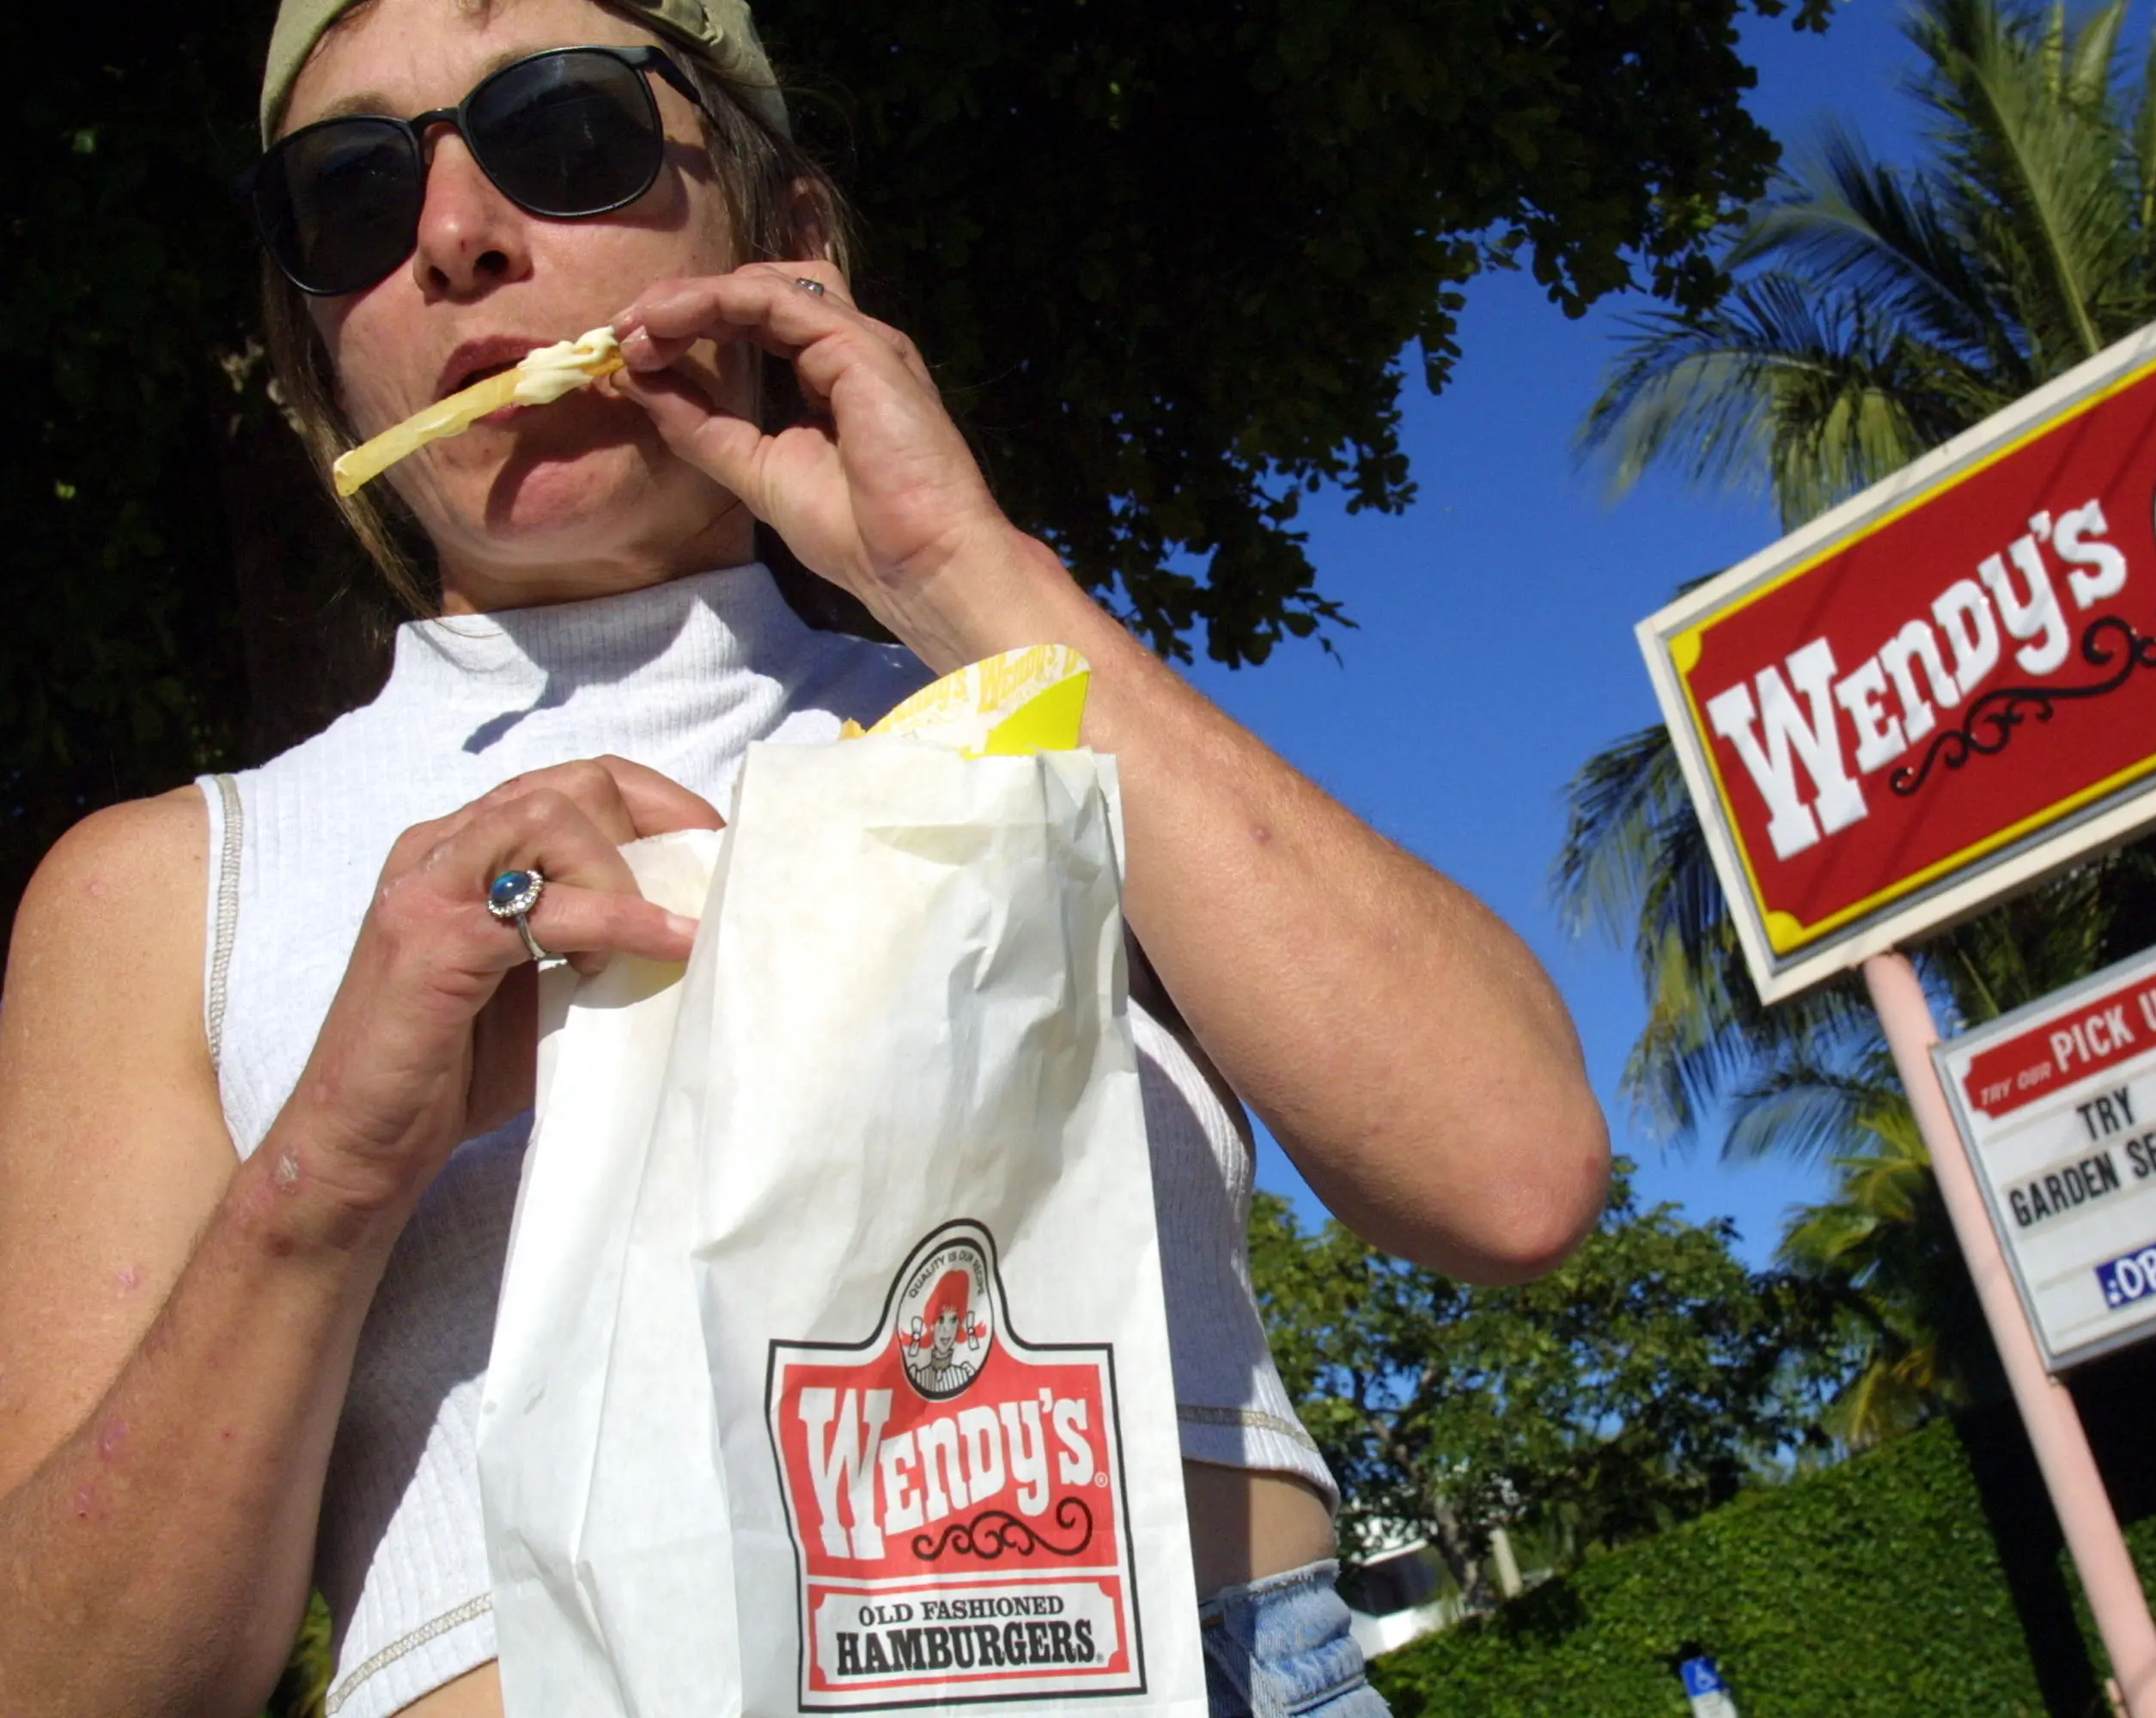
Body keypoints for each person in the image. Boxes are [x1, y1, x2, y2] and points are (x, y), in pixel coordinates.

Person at [0, 1, 1610, 1715]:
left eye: (564, 134)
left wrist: (965, 576)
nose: (458, 238)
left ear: (788, 238)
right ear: (319, 343)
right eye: (349, 198)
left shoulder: (1033, 709)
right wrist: (327, 1166)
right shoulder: (167, 885)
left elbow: (1507, 1173)